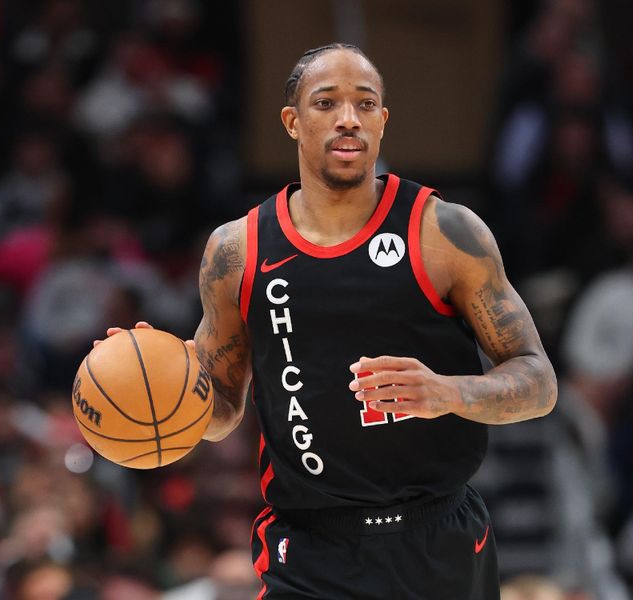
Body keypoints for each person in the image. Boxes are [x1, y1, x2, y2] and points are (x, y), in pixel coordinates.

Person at [101, 43, 557, 599]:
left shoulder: (445, 232)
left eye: (366, 105)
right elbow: (220, 411)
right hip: (308, 550)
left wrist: (448, 393)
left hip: (437, 540)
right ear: (292, 121)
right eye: (327, 103)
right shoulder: (237, 251)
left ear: (383, 122)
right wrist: (163, 371)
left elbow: (538, 380)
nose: (349, 118)